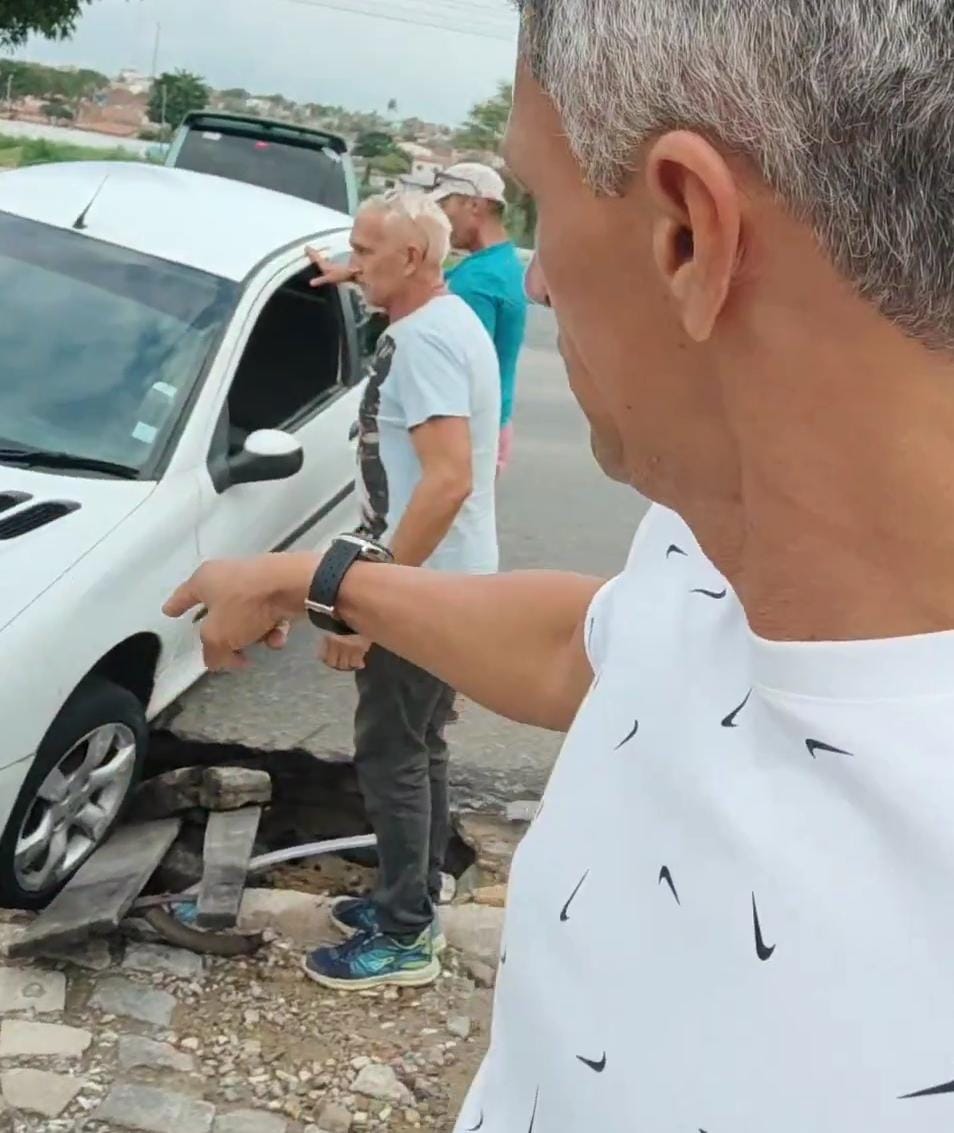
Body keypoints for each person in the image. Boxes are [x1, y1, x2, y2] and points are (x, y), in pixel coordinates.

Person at [164, 2, 954, 1128]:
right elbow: (596, 650)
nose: (532, 283)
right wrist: (316, 579)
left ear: (687, 233)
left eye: (540, 205)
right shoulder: (706, 538)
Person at [303, 190, 500, 991]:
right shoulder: (444, 319)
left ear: (413, 259)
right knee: (421, 747)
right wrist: (352, 270)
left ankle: (405, 934)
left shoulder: (422, 345)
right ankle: (413, 890)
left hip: (424, 585)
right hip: (449, 580)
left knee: (391, 756)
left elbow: (445, 481)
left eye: (364, 250)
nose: (354, 263)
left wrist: (369, 602)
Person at [431, 163, 529, 475]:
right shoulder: (501, 262)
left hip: (468, 431)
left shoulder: (479, 279)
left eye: (446, 205)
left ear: (474, 205)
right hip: (492, 423)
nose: (442, 217)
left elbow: (459, 369)